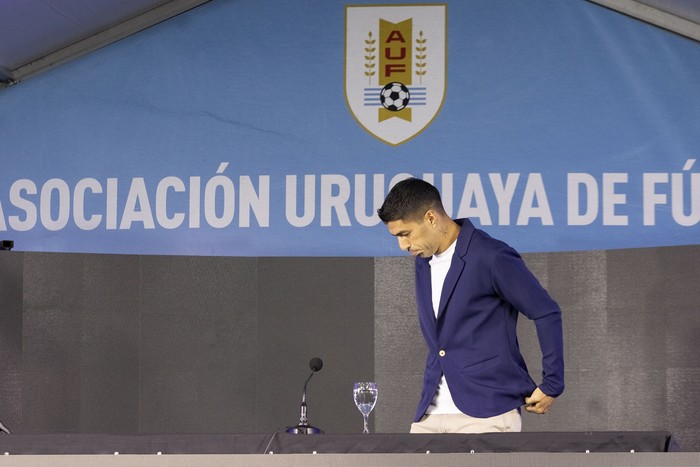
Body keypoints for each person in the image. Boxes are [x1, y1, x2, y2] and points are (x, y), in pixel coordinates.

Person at [377, 178, 564, 434]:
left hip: (488, 413)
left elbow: (546, 312)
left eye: (405, 234)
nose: (402, 245)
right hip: (429, 415)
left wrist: (552, 383)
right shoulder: (423, 260)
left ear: (431, 218)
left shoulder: (492, 255)